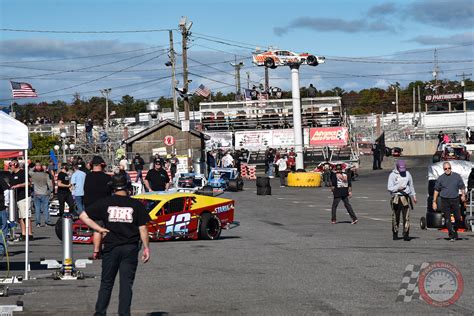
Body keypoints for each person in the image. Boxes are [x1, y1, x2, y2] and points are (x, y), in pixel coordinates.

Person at [79, 172, 150, 315]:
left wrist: (99, 229)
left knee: (106, 283)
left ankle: (100, 313)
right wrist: (146, 248)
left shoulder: (105, 202)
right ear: (128, 187)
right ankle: (124, 314)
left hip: (111, 247)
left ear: (112, 188)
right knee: (126, 285)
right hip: (130, 247)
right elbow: (143, 228)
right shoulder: (136, 204)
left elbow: (83, 216)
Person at [84, 156, 112, 259]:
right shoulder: (107, 178)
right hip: (104, 206)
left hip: (90, 207)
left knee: (97, 229)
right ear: (103, 165)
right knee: (101, 229)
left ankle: (98, 251)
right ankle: (98, 251)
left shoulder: (88, 177)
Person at [432, 162, 466, 241]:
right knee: (447, 219)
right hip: (445, 200)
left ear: (451, 168)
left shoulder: (456, 176)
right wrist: (434, 201)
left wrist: (463, 195)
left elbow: (462, 187)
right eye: (445, 169)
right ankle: (451, 235)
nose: (447, 170)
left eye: (449, 168)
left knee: (458, 218)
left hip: (455, 199)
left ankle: (455, 229)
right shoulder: (441, 178)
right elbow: (436, 190)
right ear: (443, 169)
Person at [387, 160, 417, 241]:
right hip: (396, 198)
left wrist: (413, 195)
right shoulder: (392, 175)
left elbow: (411, 185)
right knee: (396, 216)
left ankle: (406, 234)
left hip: (405, 197)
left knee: (406, 217)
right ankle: (395, 233)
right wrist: (397, 188)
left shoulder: (408, 174)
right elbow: (389, 188)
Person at [9, 159, 33, 240]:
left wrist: (18, 185)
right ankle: (23, 234)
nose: (10, 167)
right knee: (20, 217)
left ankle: (29, 234)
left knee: (26, 216)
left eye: (11, 165)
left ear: (15, 164)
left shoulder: (23, 173)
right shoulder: (12, 174)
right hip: (17, 198)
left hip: (24, 197)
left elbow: (29, 183)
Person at [29, 161, 53, 227]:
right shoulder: (46, 175)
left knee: (37, 209)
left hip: (36, 193)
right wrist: (51, 191)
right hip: (45, 193)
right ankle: (46, 222)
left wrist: (35, 166)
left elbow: (29, 171)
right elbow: (50, 184)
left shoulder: (33, 174)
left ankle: (38, 223)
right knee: (45, 208)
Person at [0, 175, 10, 255]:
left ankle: (2, 250)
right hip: (1, 207)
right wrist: (6, 203)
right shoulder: (1, 179)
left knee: (3, 228)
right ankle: (2, 250)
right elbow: (6, 191)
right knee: (3, 228)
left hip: (1, 207)